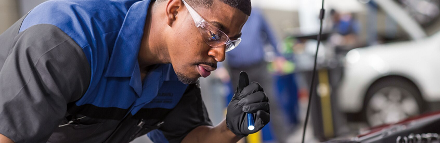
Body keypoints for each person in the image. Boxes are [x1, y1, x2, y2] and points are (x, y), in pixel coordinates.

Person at [0, 0, 270, 142]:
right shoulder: (67, 43)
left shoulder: (175, 75)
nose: (221, 53)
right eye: (214, 33)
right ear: (174, 10)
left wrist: (232, 129)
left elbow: (189, 140)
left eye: (230, 41)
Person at [224, 8, 289, 142]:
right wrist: (219, 67)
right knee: (244, 111)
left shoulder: (257, 14)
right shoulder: (226, 14)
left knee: (272, 104)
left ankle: (283, 140)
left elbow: (270, 34)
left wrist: (279, 56)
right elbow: (218, 39)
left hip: (260, 67)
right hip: (238, 71)